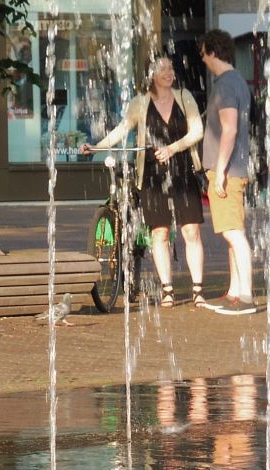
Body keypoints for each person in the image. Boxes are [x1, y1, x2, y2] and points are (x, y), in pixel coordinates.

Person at [82, 55, 206, 307]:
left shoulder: (184, 97)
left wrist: (172, 148)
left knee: (191, 230)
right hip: (151, 174)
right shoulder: (140, 103)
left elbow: (197, 131)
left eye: (171, 68)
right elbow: (122, 129)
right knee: (159, 232)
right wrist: (96, 147)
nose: (169, 72)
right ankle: (168, 289)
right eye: (163, 69)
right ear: (151, 75)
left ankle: (198, 290)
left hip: (182, 171)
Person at [199, 28, 257, 315]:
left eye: (203, 53)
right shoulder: (239, 82)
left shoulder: (224, 85)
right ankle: (234, 292)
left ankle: (245, 296)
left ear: (211, 51)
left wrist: (220, 169)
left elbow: (229, 128)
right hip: (238, 168)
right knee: (232, 233)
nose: (202, 59)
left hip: (228, 170)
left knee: (234, 233)